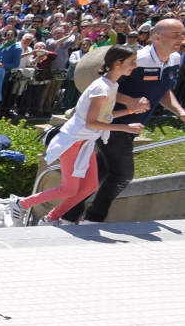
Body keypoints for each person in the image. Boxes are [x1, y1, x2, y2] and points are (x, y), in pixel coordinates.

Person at [62, 19, 185, 223]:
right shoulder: (137, 59)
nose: (181, 39)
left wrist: (180, 111)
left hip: (133, 127)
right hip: (114, 123)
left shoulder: (174, 59)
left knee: (99, 172)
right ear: (157, 37)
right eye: (175, 34)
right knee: (122, 174)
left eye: (182, 34)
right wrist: (129, 101)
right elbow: (102, 85)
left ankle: (68, 215)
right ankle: (93, 219)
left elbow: (164, 90)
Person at [22, 46, 144, 223]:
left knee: (90, 187)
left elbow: (104, 116)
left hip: (84, 142)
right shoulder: (101, 88)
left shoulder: (111, 85)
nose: (135, 65)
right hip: (72, 141)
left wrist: (131, 111)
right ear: (118, 63)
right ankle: (22, 204)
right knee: (69, 189)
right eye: (132, 61)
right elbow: (91, 122)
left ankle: (51, 217)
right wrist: (126, 128)